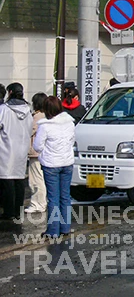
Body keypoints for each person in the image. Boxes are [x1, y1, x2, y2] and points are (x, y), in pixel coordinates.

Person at [33, 96, 75, 237]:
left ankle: (53, 231)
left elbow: (37, 146)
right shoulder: (70, 123)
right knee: (65, 197)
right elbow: (72, 141)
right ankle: (65, 228)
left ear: (46, 110)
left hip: (51, 164)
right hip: (67, 163)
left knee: (53, 198)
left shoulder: (45, 126)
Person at [0, 83, 33, 220]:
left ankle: (8, 211)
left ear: (10, 92)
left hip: (5, 148)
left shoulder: (4, 109)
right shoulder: (28, 110)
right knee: (19, 180)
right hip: (22, 148)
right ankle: (18, 211)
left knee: (7, 180)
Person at [26, 93, 47, 214]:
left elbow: (29, 131)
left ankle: (37, 204)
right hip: (45, 153)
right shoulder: (47, 116)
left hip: (35, 152)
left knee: (35, 179)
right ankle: (42, 202)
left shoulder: (37, 117)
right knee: (41, 178)